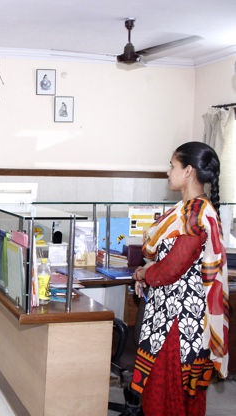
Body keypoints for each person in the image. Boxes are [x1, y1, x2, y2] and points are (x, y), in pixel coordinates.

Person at [129, 141, 229, 416]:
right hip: (171, 312)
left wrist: (143, 273)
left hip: (180, 321)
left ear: (188, 171)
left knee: (166, 396)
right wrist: (149, 271)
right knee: (172, 396)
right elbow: (168, 262)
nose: (168, 171)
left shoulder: (194, 214)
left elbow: (171, 269)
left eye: (172, 165)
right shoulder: (188, 209)